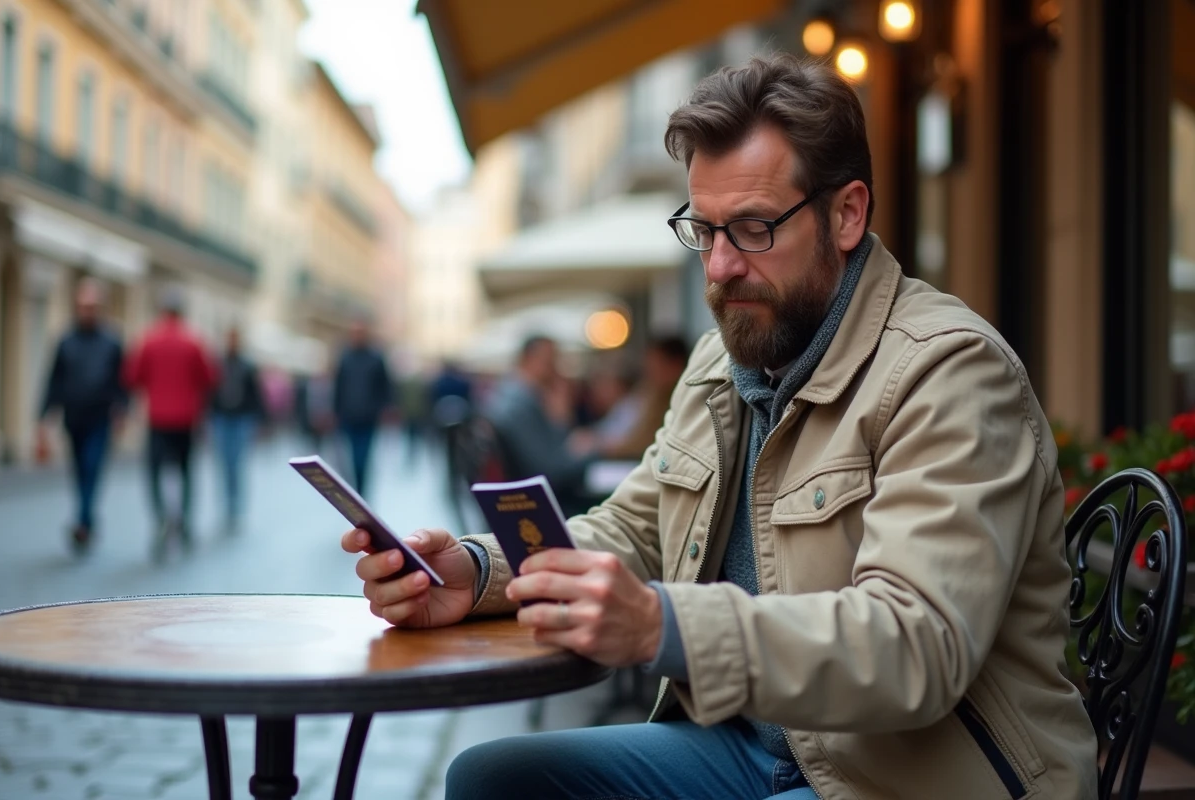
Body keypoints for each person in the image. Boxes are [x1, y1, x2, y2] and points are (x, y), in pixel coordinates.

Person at [340, 54, 1097, 800]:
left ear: (847, 214)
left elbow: (915, 647)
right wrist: (476, 573)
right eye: (704, 231)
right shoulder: (721, 360)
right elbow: (634, 531)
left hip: (910, 776)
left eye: (753, 228)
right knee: (494, 780)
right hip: (751, 749)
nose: (720, 266)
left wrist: (661, 625)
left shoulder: (949, 370)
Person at [123, 288, 218, 557]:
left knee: (154, 472)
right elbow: (209, 378)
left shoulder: (149, 339)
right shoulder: (194, 341)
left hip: (158, 419)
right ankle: (184, 521)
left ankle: (161, 517)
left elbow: (132, 377)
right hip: (186, 419)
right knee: (186, 472)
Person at [37, 278, 127, 553]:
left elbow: (122, 381)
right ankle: (86, 517)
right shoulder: (66, 341)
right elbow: (54, 380)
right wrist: (43, 417)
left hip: (99, 417)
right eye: (84, 306)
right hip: (74, 417)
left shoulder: (111, 341)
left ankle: (83, 522)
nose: (88, 311)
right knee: (79, 470)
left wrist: (122, 408)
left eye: (93, 306)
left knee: (92, 466)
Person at [484, 336, 600, 517]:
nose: (556, 368)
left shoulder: (512, 396)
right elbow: (550, 473)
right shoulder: (519, 406)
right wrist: (587, 449)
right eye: (550, 361)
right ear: (529, 359)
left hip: (529, 502)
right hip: (542, 509)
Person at [596, 334, 691, 460]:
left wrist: (605, 447)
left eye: (656, 365)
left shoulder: (675, 399)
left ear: (675, 365)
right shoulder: (651, 393)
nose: (650, 372)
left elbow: (644, 443)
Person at [208, 326, 266, 534]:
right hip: (221, 418)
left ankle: (235, 508)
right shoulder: (218, 364)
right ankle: (226, 507)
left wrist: (259, 420)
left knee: (237, 464)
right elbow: (209, 391)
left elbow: (256, 394)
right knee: (224, 464)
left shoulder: (247, 365)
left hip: (241, 419)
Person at [333, 319, 392, 498]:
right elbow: (338, 386)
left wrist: (384, 408)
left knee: (362, 458)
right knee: (350, 458)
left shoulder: (376, 358)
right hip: (348, 416)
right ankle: (355, 491)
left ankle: (361, 492)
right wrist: (335, 411)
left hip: (368, 417)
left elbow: (385, 386)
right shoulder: (345, 357)